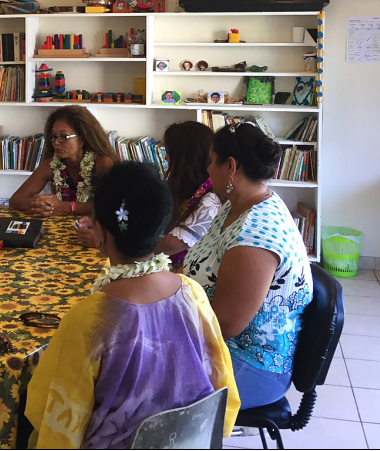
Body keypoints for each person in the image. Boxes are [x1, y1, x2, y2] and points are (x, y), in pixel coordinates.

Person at [25, 161, 239, 449]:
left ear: (100, 231)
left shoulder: (90, 319)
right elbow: (223, 388)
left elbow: (53, 416)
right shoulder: (192, 294)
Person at [183, 122, 313, 410]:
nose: (207, 170)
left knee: (136, 375)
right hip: (222, 346)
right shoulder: (236, 204)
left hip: (250, 364)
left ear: (230, 166)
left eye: (210, 162)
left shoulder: (255, 234)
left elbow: (226, 325)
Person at [76, 121, 221, 270]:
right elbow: (139, 217)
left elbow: (169, 245)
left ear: (185, 159)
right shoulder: (176, 187)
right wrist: (105, 221)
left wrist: (110, 241)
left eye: (169, 154)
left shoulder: (210, 201)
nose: (165, 159)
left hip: (178, 276)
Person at [9, 105, 116, 217]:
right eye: (54, 136)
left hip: (91, 231)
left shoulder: (103, 163)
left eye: (63, 136)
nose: (56, 142)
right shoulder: (52, 165)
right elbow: (16, 200)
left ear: (81, 139)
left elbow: (111, 207)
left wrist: (64, 207)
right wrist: (42, 205)